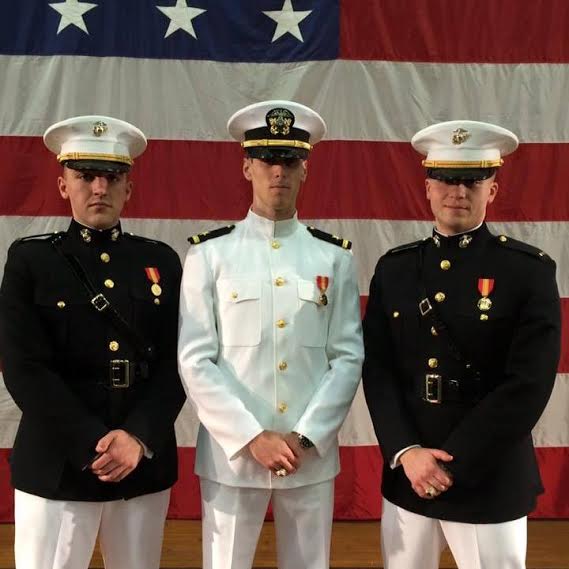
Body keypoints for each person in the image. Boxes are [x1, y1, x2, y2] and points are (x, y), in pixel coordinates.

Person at [362, 120, 561, 569]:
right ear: (427, 186)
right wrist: (406, 452)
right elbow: (378, 370)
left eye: (473, 179)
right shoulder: (395, 269)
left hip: (489, 474)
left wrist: (452, 464)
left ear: (493, 189)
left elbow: (528, 384)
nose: (459, 191)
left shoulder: (527, 271)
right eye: (447, 179)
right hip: (408, 472)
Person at [178, 100, 364, 569]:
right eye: (267, 160)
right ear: (247, 167)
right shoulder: (210, 256)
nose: (277, 171)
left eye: (289, 161)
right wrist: (251, 436)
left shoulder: (333, 259)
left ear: (305, 169)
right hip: (233, 455)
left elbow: (346, 357)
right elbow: (195, 359)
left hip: (309, 456)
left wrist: (304, 436)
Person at [0, 115, 186, 569]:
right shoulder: (31, 260)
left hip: (139, 459)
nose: (99, 187)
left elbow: (179, 361)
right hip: (57, 461)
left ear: (129, 187)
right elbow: (23, 366)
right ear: (64, 185)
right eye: (85, 176)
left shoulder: (159, 260)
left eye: (112, 176)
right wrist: (92, 443)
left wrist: (137, 438)